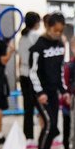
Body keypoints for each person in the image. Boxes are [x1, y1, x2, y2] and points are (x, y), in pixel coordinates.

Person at [28, 11, 67, 149]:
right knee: (49, 123)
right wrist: (40, 92)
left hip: (53, 92)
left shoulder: (60, 46)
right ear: (48, 27)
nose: (58, 34)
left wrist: (63, 90)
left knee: (53, 125)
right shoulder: (38, 47)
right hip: (40, 93)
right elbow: (33, 72)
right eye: (55, 30)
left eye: (60, 31)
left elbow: (60, 70)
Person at [17, 11, 42, 141]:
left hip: (23, 75)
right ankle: (47, 133)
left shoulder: (22, 38)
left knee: (28, 108)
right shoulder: (36, 37)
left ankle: (28, 137)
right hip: (33, 76)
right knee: (41, 106)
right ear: (36, 22)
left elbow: (20, 59)